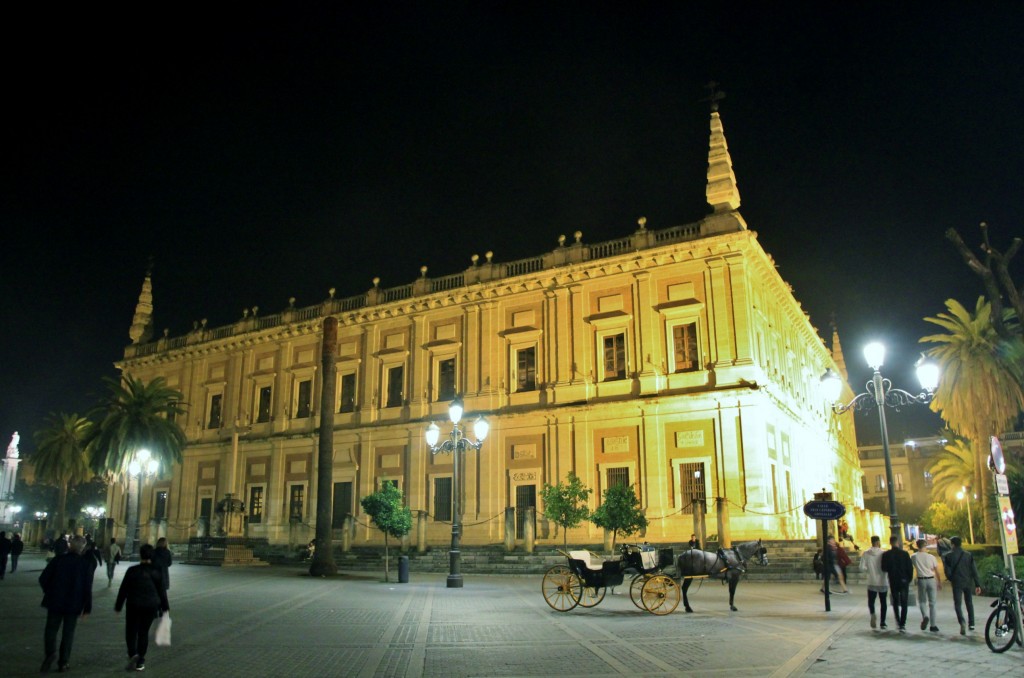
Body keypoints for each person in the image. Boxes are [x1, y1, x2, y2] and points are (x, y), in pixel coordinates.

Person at [38, 535, 95, 673]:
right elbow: (87, 587)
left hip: (55, 601)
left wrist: (49, 591)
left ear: (70, 545)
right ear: (82, 548)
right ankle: (63, 662)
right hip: (74, 603)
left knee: (50, 630)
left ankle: (50, 653)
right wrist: (87, 607)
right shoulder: (85, 564)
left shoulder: (58, 560)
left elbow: (43, 578)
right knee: (68, 633)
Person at [115, 543, 170, 672]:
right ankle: (140, 661)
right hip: (150, 605)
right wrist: (165, 607)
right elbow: (162, 591)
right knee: (143, 632)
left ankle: (132, 654)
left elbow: (123, 589)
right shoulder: (156, 570)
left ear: (140, 555)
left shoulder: (132, 570)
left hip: (133, 604)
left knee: (131, 631)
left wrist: (118, 606)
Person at [942, 535, 982, 635]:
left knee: (957, 604)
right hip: (968, 582)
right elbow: (974, 570)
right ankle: (971, 624)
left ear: (952, 544)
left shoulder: (948, 556)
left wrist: (952, 579)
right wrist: (978, 584)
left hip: (957, 583)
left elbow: (947, 571)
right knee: (969, 603)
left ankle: (962, 622)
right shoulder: (968, 555)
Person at [881, 535, 913, 633]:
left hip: (893, 580)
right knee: (904, 602)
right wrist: (909, 579)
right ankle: (903, 623)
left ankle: (898, 621)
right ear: (898, 542)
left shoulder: (886, 554)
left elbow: (884, 568)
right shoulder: (904, 554)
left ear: (890, 543)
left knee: (895, 601)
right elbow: (910, 568)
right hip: (903, 580)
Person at [911, 537, 941, 632]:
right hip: (931, 580)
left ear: (917, 546)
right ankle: (933, 625)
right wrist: (939, 582)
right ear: (925, 546)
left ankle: (925, 616)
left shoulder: (914, 556)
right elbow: (936, 570)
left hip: (921, 580)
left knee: (922, 601)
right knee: (933, 603)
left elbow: (911, 567)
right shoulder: (931, 557)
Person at [860, 535, 888, 629]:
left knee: (871, 601)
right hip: (883, 581)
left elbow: (861, 567)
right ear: (878, 542)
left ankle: (872, 613)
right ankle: (883, 622)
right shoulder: (884, 553)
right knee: (883, 602)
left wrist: (868, 570)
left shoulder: (866, 553)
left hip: (871, 581)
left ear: (871, 542)